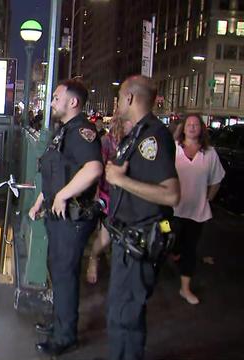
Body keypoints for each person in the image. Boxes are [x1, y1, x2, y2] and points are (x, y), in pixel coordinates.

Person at [105, 75, 180, 360]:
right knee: (120, 311)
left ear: (130, 99)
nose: (118, 103)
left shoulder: (153, 137)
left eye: (120, 96)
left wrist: (121, 181)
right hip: (126, 241)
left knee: (126, 315)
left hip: (139, 242)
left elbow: (172, 194)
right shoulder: (137, 134)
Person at [28, 79, 103, 356]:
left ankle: (65, 336)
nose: (52, 102)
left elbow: (94, 168)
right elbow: (55, 173)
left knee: (64, 274)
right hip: (57, 215)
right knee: (57, 272)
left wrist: (62, 196)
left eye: (57, 97)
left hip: (72, 217)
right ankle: (58, 323)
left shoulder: (82, 131)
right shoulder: (65, 132)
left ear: (73, 102)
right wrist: (41, 200)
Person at [172, 113, 225, 305]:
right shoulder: (174, 149)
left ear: (201, 128)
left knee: (190, 248)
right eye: (189, 124)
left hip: (197, 212)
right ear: (183, 128)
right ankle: (173, 252)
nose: (192, 127)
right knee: (168, 237)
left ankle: (184, 288)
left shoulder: (209, 153)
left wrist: (208, 198)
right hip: (172, 210)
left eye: (196, 124)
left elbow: (217, 179)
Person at [86, 115, 134, 284]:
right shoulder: (107, 141)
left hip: (126, 197)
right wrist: (97, 192)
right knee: (105, 238)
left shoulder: (133, 143)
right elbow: (98, 167)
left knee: (121, 238)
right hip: (108, 196)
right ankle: (93, 258)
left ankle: (118, 272)